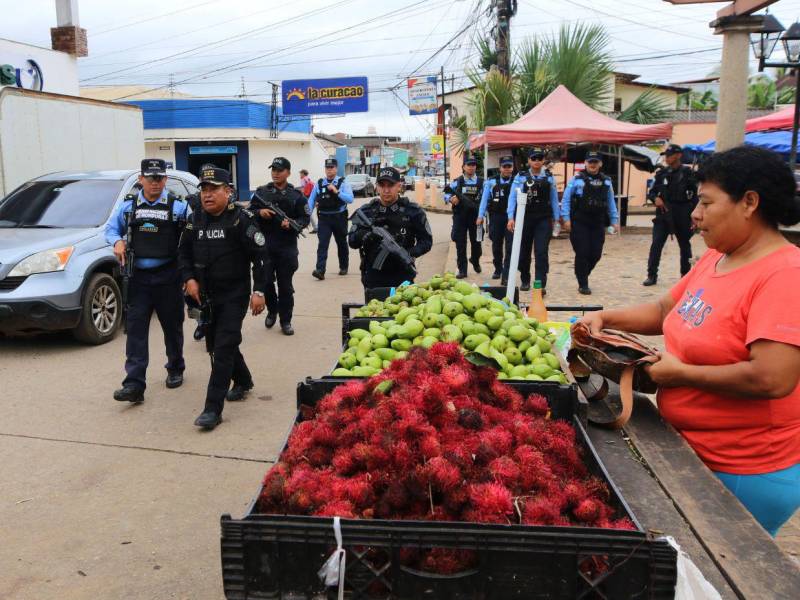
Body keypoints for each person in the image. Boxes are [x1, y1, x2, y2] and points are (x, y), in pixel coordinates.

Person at [577, 145, 800, 536]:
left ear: (749, 203)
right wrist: (605, 317)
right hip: (690, 448)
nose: (695, 214)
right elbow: (666, 310)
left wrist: (682, 374)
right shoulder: (719, 258)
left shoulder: (785, 275)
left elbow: (772, 378)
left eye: (706, 203)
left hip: (742, 470)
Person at [179, 166, 267, 430]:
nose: (207, 195)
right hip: (205, 296)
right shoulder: (195, 220)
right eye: (204, 190)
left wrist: (259, 291)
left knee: (223, 347)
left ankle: (212, 408)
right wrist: (189, 279)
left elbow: (261, 258)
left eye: (214, 189)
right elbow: (182, 253)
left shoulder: (242, 220)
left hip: (234, 295)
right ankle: (243, 380)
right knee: (218, 343)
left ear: (228, 191)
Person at [106, 158, 189, 404]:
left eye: (160, 178)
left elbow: (192, 234)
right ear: (141, 179)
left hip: (168, 276)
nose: (155, 182)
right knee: (136, 331)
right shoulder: (128, 206)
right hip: (139, 278)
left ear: (165, 179)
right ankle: (134, 384)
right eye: (150, 178)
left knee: (172, 327)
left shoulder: (178, 207)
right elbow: (110, 230)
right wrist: (117, 241)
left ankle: (175, 367)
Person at [249, 157, 310, 336]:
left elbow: (305, 218)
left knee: (285, 287)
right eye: (273, 169)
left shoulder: (296, 195)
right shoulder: (262, 193)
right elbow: (248, 213)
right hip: (265, 247)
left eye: (279, 170)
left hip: (286, 247)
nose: (275, 173)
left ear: (288, 173)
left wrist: (291, 224)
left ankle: (286, 320)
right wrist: (260, 212)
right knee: (266, 283)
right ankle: (272, 311)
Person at [348, 166, 432, 290]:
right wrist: (366, 236)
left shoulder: (413, 211)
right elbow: (352, 241)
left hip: (402, 275)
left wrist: (408, 253)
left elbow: (426, 241)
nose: (386, 190)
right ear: (376, 187)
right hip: (373, 276)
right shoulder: (367, 211)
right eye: (382, 185)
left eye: (390, 185)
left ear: (399, 186)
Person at [562, 151, 619, 295]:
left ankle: (582, 273)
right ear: (585, 163)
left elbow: (611, 201)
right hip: (580, 221)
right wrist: (566, 218)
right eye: (590, 161)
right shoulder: (576, 179)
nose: (593, 164)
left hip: (597, 221)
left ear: (600, 163)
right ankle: (583, 283)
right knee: (582, 252)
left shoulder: (606, 181)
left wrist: (614, 220)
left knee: (596, 254)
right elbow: (566, 199)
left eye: (595, 162)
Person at [643, 144, 698, 286]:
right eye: (666, 155)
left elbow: (696, 196)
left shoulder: (688, 173)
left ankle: (685, 275)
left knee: (685, 245)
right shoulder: (661, 173)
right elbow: (652, 192)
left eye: (669, 155)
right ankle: (651, 275)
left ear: (678, 155)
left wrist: (694, 214)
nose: (666, 158)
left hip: (682, 212)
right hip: (663, 213)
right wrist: (655, 198)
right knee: (656, 244)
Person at [507, 148, 560, 293]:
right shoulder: (521, 177)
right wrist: (510, 217)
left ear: (543, 160)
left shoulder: (549, 177)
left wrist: (557, 219)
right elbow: (512, 198)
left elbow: (554, 199)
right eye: (533, 158)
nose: (537, 161)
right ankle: (525, 278)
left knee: (541, 251)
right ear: (529, 161)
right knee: (524, 251)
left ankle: (540, 284)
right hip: (524, 218)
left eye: (539, 158)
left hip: (543, 218)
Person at [308, 158, 354, 280]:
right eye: (327, 168)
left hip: (339, 217)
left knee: (341, 243)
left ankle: (343, 266)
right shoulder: (319, 184)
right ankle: (320, 270)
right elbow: (311, 201)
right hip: (324, 218)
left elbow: (350, 199)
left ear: (336, 168)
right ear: (325, 169)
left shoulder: (343, 182)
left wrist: (337, 192)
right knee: (322, 244)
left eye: (332, 167)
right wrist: (306, 215)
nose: (329, 170)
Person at [477, 155, 515, 283]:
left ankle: (506, 273)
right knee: (497, 245)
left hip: (511, 218)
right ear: (500, 168)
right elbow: (484, 200)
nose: (507, 169)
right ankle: (498, 268)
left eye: (509, 166)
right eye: (505, 166)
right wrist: (480, 216)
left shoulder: (517, 182)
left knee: (510, 246)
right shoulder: (491, 182)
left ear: (512, 168)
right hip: (496, 217)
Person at [445, 156, 484, 278]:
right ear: (463, 167)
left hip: (475, 217)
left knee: (477, 242)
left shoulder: (482, 182)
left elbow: (486, 198)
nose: (471, 167)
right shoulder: (457, 181)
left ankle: (475, 260)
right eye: (469, 164)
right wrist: (451, 198)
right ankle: (462, 269)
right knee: (460, 244)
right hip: (460, 217)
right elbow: (446, 194)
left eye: (473, 164)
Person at [299, 169, 318, 234]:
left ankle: (315, 227)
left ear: (303, 174)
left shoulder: (303, 179)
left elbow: (302, 190)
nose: (300, 175)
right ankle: (313, 226)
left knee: (308, 213)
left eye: (301, 173)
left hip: (307, 198)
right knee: (309, 213)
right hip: (313, 197)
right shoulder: (308, 179)